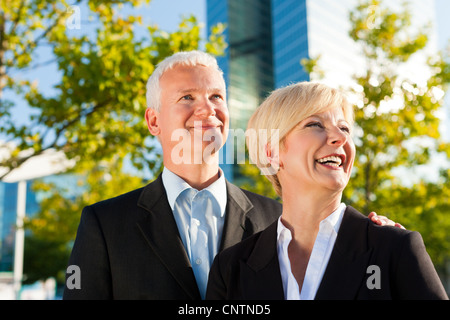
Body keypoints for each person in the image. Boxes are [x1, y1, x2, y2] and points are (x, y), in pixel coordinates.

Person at [63, 51, 398, 300]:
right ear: (154, 121)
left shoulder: (280, 219)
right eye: (187, 98)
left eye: (216, 97)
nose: (207, 109)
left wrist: (380, 250)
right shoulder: (104, 225)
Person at [206, 81, 448, 300]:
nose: (339, 138)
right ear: (271, 153)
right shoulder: (230, 268)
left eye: (344, 129)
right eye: (315, 124)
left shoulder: (395, 248)